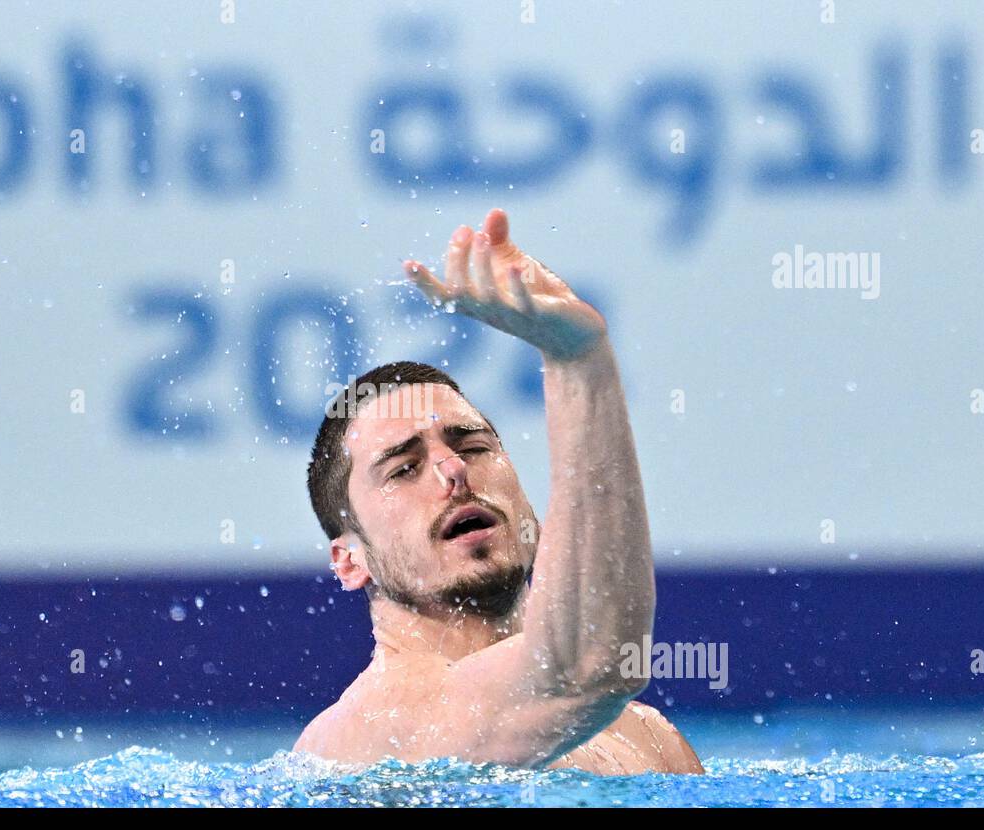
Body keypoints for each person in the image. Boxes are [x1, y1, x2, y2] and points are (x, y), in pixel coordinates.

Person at [296, 209, 703, 775]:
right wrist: (576, 361)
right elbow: (589, 661)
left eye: (472, 445)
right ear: (349, 560)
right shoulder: (370, 734)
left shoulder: (645, 734)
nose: (452, 469)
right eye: (403, 468)